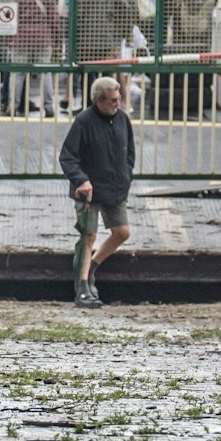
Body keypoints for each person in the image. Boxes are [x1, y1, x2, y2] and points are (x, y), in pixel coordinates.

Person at [60, 76, 135, 309]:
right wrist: (81, 180)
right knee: (88, 235)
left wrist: (126, 176)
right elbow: (67, 157)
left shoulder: (122, 119)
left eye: (119, 98)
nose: (118, 104)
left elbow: (129, 152)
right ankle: (81, 287)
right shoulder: (83, 122)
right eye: (113, 100)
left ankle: (92, 266)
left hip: (115, 187)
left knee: (122, 232)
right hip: (89, 190)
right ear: (99, 100)